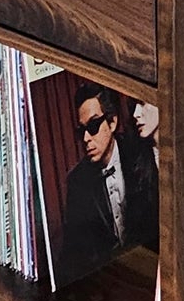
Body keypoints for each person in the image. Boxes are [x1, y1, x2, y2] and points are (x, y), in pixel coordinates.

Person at [59, 85, 159, 283]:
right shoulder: (77, 182)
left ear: (113, 122)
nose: (87, 138)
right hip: (109, 283)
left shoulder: (141, 151)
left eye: (93, 126)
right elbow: (74, 253)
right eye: (82, 131)